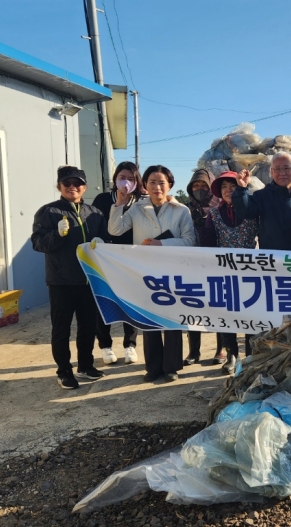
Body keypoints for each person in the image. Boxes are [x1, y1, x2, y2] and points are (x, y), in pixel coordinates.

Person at [109, 165, 197, 383]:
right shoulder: (137, 208)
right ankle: (153, 367)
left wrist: (161, 243)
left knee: (172, 320)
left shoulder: (181, 210)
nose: (157, 187)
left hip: (173, 272)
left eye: (162, 183)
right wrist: (119, 204)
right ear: (144, 185)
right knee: (149, 320)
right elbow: (115, 230)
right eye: (152, 182)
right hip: (145, 272)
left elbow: (189, 241)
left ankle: (171, 367)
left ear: (170, 185)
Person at [31, 166, 108, 389]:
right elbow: (38, 244)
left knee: (87, 326)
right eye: (67, 183)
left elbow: (104, 238)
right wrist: (57, 234)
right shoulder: (48, 212)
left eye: (77, 183)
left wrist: (103, 243)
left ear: (84, 187)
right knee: (61, 328)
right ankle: (64, 370)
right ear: (59, 187)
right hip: (61, 281)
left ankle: (85, 365)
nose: (72, 187)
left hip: (88, 279)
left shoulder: (94, 213)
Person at [206, 171, 260, 374]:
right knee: (226, 314)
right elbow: (209, 242)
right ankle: (231, 354)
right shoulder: (213, 215)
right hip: (223, 270)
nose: (229, 190)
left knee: (250, 311)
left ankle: (251, 355)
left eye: (233, 186)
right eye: (224, 187)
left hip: (251, 269)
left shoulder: (252, 210)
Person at [91, 161, 141, 366]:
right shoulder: (103, 199)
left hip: (132, 261)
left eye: (131, 178)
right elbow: (94, 226)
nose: (126, 182)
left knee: (131, 302)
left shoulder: (141, 202)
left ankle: (130, 344)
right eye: (122, 177)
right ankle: (105, 346)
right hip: (106, 260)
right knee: (105, 301)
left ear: (137, 181)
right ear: (115, 179)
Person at [232, 152, 291, 251]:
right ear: (271, 172)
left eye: (286, 168)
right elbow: (245, 211)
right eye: (277, 169)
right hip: (272, 260)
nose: (282, 173)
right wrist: (241, 189)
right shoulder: (262, 196)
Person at [184, 168, 222, 366]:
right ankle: (194, 351)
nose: (199, 189)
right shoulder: (184, 209)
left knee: (219, 308)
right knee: (194, 308)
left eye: (203, 186)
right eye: (195, 186)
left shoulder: (219, 208)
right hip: (192, 267)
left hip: (216, 266)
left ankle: (221, 349)